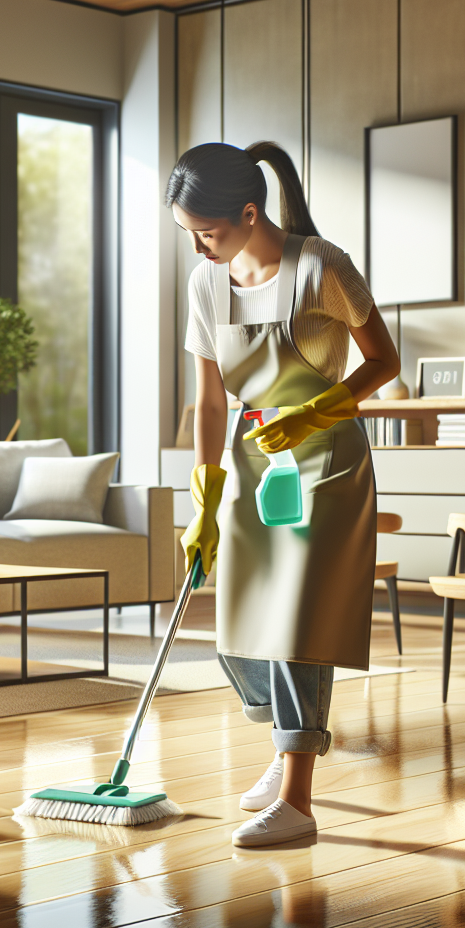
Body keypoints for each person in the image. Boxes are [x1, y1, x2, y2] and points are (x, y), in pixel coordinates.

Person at [169, 141, 400, 847]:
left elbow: (384, 360)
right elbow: (212, 402)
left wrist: (316, 413)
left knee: (298, 624)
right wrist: (205, 500)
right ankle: (285, 746)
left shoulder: (321, 266)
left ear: (248, 213)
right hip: (252, 462)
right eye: (189, 235)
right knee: (240, 627)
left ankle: (298, 799)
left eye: (207, 233)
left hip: (324, 462)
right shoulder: (206, 285)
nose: (199, 248)